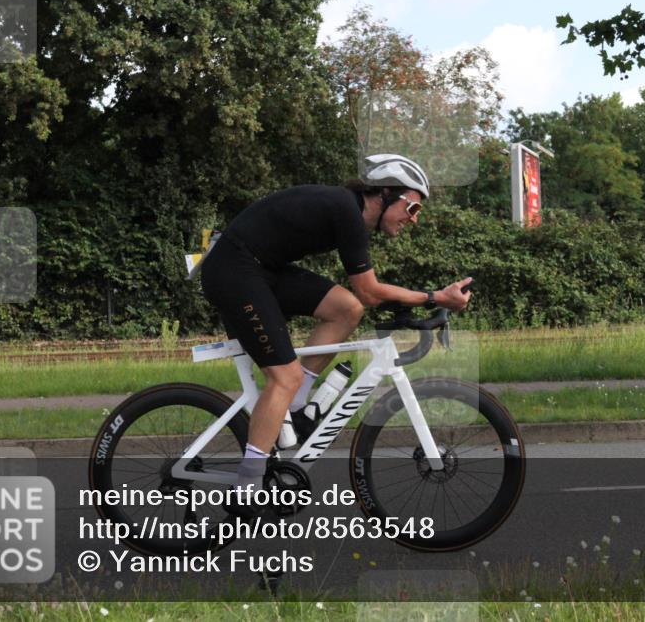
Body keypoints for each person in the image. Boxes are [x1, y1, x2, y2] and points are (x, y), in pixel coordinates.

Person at [200, 154, 472, 515]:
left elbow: (362, 299)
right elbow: (371, 291)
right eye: (412, 207)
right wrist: (434, 297)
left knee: (346, 309)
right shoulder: (347, 211)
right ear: (386, 193)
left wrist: (418, 302)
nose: (413, 219)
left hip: (261, 268)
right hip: (234, 270)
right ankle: (247, 487)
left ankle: (297, 407)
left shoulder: (350, 213)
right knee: (284, 374)